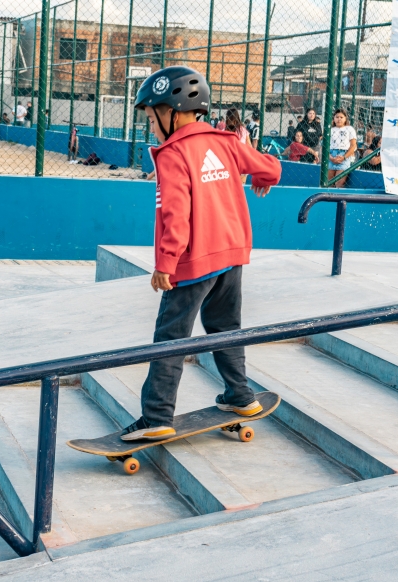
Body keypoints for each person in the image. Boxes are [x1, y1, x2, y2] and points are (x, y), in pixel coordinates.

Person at [119, 65, 282, 441]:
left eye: (151, 116)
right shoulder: (225, 141)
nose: (151, 125)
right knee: (225, 328)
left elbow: (176, 214)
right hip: (232, 255)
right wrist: (260, 179)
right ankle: (241, 396)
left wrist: (165, 264)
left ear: (171, 110)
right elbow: (270, 167)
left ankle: (157, 416)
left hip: (194, 262)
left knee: (171, 337)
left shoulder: (174, 153)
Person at [326, 108, 358, 187]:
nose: (339, 119)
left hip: (344, 154)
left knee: (339, 183)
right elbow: (324, 146)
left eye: (341, 117)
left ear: (345, 119)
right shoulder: (330, 130)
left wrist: (344, 157)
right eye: (337, 117)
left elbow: (353, 145)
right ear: (333, 118)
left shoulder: (350, 129)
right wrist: (330, 157)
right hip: (331, 154)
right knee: (329, 183)